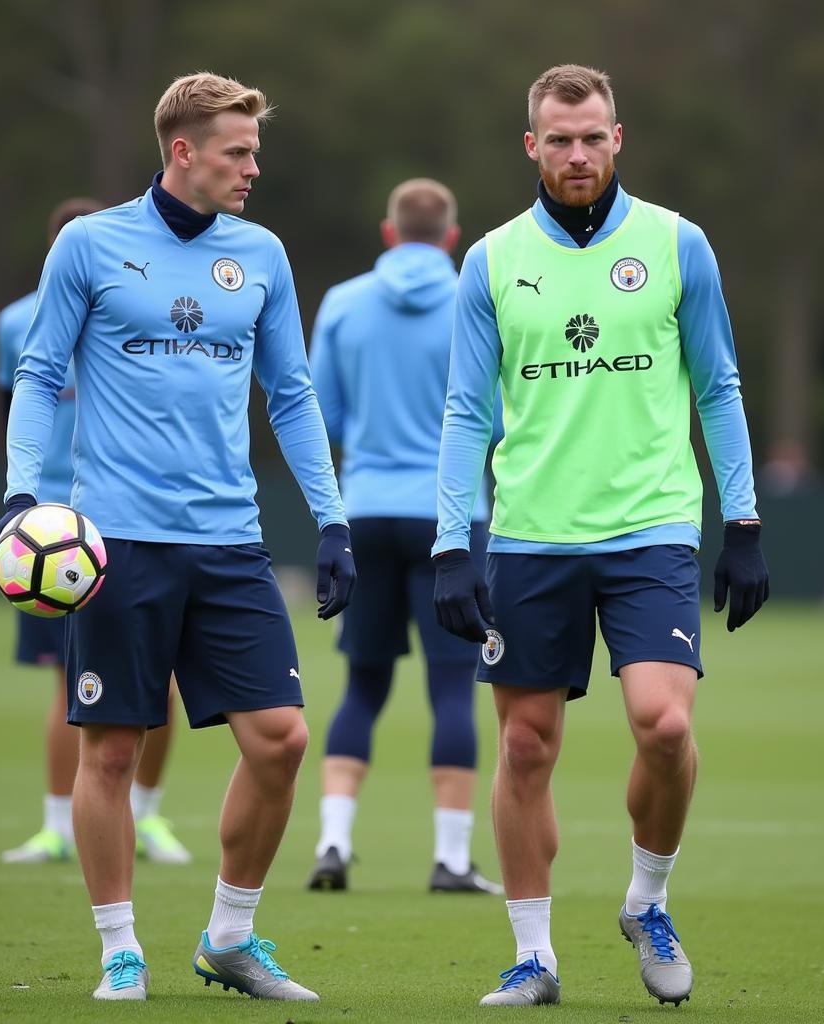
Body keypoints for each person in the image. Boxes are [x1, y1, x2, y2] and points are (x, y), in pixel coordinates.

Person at [0, 72, 356, 1003]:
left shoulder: (261, 253)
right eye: (237, 152)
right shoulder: (90, 244)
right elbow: (36, 372)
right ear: (182, 151)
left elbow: (295, 395)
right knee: (110, 751)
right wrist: (23, 497)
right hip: (115, 547)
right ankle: (120, 950)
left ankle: (230, 937)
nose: (252, 168)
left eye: (254, 151)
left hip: (229, 542)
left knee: (281, 740)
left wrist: (333, 518)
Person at [432, 64, 769, 1008]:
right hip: (532, 536)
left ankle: (647, 899)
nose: (577, 153)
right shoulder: (492, 259)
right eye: (559, 138)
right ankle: (534, 958)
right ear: (531, 146)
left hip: (651, 528)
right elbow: (464, 410)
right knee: (528, 748)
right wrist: (453, 541)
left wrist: (741, 520)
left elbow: (719, 388)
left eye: (592, 136)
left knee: (665, 725)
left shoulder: (676, 244)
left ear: (617, 139)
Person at [306, 179, 502, 895]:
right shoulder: (477, 298)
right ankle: (451, 860)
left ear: (389, 233)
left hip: (363, 512)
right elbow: (502, 421)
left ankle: (332, 842)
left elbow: (317, 415)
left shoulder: (343, 302)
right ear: (451, 237)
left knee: (362, 685)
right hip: (451, 518)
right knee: (453, 687)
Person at [0, 198, 191, 868]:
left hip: (129, 520)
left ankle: (145, 815)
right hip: (47, 532)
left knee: (162, 681)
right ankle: (56, 826)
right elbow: (18, 406)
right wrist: (20, 509)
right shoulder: (16, 322)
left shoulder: (142, 303)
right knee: (66, 684)